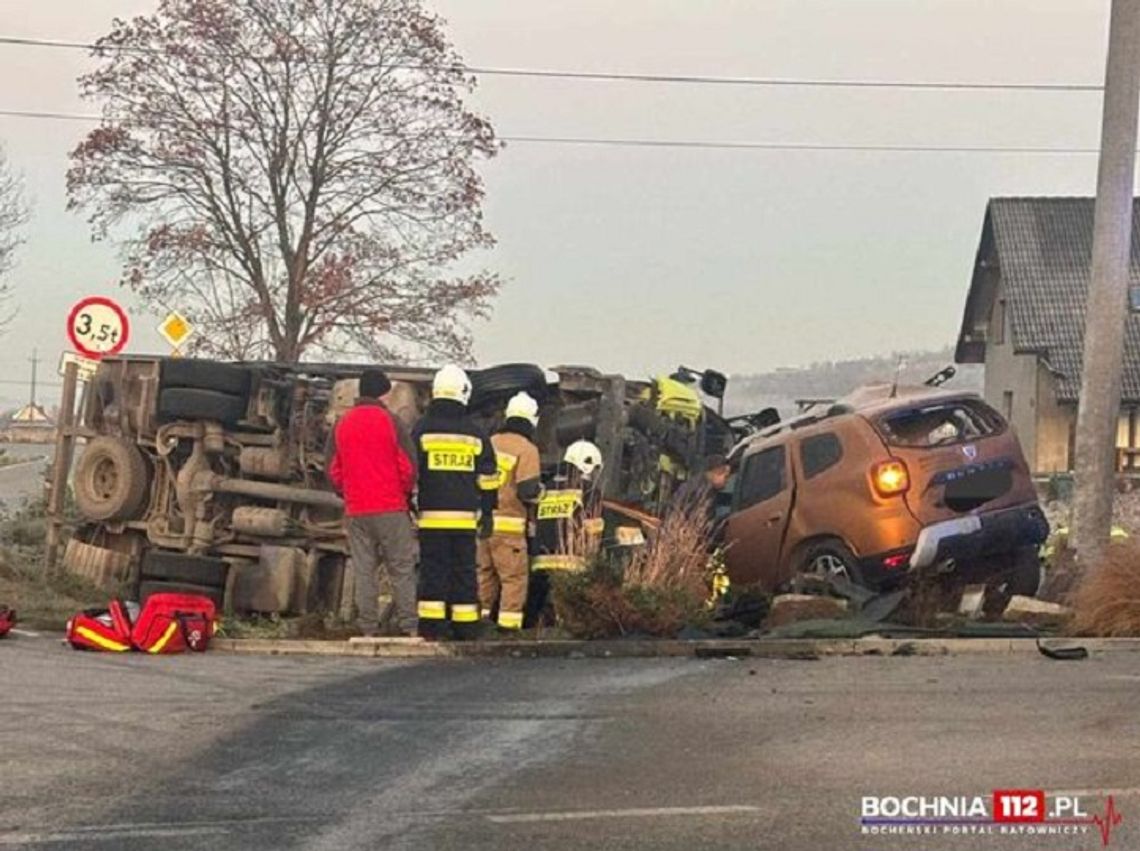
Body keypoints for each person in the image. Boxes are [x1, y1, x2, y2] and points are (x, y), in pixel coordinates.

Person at [327, 369, 418, 637]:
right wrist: (403, 493)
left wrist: (347, 493)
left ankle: (367, 628)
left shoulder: (341, 424)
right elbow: (408, 467)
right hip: (391, 508)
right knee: (401, 569)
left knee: (364, 570)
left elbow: (333, 469)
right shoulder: (392, 422)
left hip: (357, 510)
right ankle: (409, 626)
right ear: (384, 393)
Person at [413, 365, 498, 641]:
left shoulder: (422, 430)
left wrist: (409, 505)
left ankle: (432, 626)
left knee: (433, 570)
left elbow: (410, 471)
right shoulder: (475, 434)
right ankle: (465, 626)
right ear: (464, 393)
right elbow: (488, 478)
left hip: (430, 517)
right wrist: (488, 512)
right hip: (464, 518)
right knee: (464, 571)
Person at [477, 392, 544, 631]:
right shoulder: (526, 449)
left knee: (485, 575)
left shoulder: (490, 441)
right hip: (510, 527)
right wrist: (542, 493)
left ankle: (480, 622)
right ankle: (508, 629)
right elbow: (527, 490)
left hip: (483, 524)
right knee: (513, 579)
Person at [526, 439, 604, 626]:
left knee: (534, 610)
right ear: (587, 465)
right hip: (572, 563)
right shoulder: (588, 492)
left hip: (540, 562)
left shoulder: (546, 489)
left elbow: (533, 525)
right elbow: (594, 530)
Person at [668, 454, 732, 526]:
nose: (727, 481)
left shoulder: (705, 487)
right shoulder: (699, 491)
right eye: (726, 477)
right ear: (716, 472)